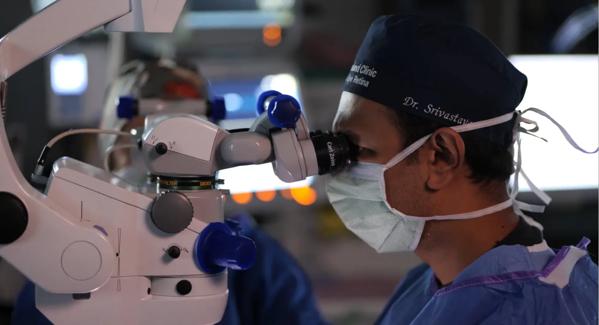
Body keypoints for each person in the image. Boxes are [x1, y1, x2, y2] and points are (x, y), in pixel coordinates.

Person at [326, 14, 598, 324]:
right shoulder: (426, 285)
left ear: (441, 156)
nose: (340, 167)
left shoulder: (541, 311)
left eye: (358, 149)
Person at [12, 59, 326, 325]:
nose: (165, 166)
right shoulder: (70, 252)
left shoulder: (259, 263)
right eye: (147, 142)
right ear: (108, 139)